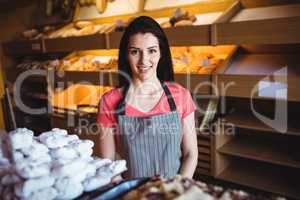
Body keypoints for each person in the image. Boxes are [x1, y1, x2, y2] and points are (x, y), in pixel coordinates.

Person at [97, 16, 198, 179]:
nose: (144, 60)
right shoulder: (109, 102)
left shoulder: (181, 96)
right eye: (135, 52)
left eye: (151, 51)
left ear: (161, 53)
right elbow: (107, 165)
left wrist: (179, 189)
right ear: (126, 55)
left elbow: (190, 153)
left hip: (175, 191)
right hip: (131, 193)